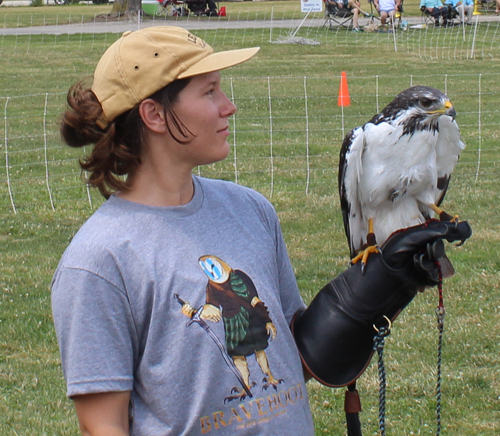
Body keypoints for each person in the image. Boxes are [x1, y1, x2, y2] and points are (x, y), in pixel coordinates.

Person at [52, 25, 472, 436]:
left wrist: (374, 290)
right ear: (154, 114)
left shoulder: (250, 209)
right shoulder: (99, 261)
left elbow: (293, 357)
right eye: (209, 91)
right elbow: (101, 424)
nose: (228, 105)